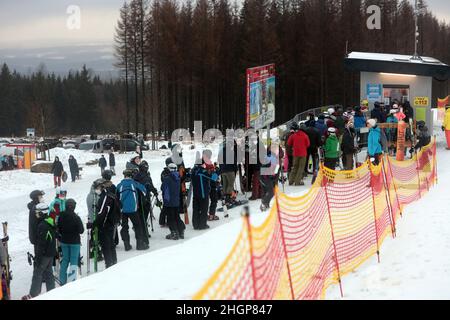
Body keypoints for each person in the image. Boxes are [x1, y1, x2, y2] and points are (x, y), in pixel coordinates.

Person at [22, 203, 56, 300]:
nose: (36, 214)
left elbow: (41, 244)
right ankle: (53, 292)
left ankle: (33, 295)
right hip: (50, 253)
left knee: (37, 273)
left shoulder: (42, 225)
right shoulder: (49, 221)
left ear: (42, 213)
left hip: (44, 254)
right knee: (49, 273)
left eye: (37, 213)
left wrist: (38, 257)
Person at [89, 178, 120, 268]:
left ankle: (109, 265)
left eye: (96, 188)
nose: (96, 190)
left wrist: (94, 224)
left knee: (106, 246)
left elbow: (102, 213)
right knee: (111, 245)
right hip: (111, 223)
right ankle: (114, 263)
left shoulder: (105, 197)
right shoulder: (111, 195)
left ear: (100, 187)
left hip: (105, 225)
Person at [117, 169, 148, 251]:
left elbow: (116, 197)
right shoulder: (134, 183)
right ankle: (140, 244)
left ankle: (126, 245)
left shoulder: (119, 185)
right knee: (138, 226)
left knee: (124, 227)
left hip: (123, 210)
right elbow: (144, 191)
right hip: (133, 209)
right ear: (131, 175)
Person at [57, 199, 84, 285]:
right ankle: (71, 281)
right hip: (74, 242)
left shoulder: (61, 216)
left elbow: (59, 228)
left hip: (64, 241)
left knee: (65, 259)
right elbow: (81, 230)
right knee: (73, 261)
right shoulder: (76, 217)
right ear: (74, 207)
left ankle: (62, 280)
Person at [133, 160, 159, 245]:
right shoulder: (144, 176)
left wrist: (154, 191)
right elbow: (150, 185)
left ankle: (142, 231)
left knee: (142, 217)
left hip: (140, 199)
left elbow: (149, 185)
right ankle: (143, 233)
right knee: (143, 217)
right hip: (143, 199)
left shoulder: (137, 176)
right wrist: (154, 191)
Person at [191, 152, 219, 230]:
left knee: (196, 209)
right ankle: (202, 225)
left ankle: (195, 224)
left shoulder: (193, 171)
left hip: (195, 193)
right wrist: (216, 170)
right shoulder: (202, 171)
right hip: (203, 193)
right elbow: (214, 177)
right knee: (204, 209)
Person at [161, 163, 185, 240]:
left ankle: (174, 232)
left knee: (171, 218)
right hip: (176, 200)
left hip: (169, 201)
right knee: (176, 216)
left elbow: (163, 188)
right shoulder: (178, 176)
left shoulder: (167, 178)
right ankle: (181, 230)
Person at [218, 139, 238, 205]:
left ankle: (225, 199)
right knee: (230, 184)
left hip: (223, 170)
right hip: (230, 170)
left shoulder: (221, 151)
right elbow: (234, 161)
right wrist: (236, 169)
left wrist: (221, 170)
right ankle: (228, 200)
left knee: (225, 185)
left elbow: (219, 161)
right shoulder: (230, 151)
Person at [28, 190, 45, 255]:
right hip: (37, 237)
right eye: (40, 196)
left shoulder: (37, 207)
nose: (42, 198)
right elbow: (38, 222)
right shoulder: (35, 209)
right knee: (39, 257)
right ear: (36, 198)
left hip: (38, 237)